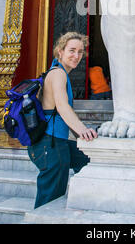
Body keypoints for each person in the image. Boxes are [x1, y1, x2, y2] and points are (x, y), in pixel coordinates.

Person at [27, 32, 98, 209]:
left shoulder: (58, 72)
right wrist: (83, 130)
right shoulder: (58, 73)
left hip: (56, 142)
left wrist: (80, 135)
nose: (76, 56)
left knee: (88, 161)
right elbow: (62, 106)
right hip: (49, 144)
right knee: (49, 201)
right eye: (72, 50)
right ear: (60, 51)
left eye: (80, 52)